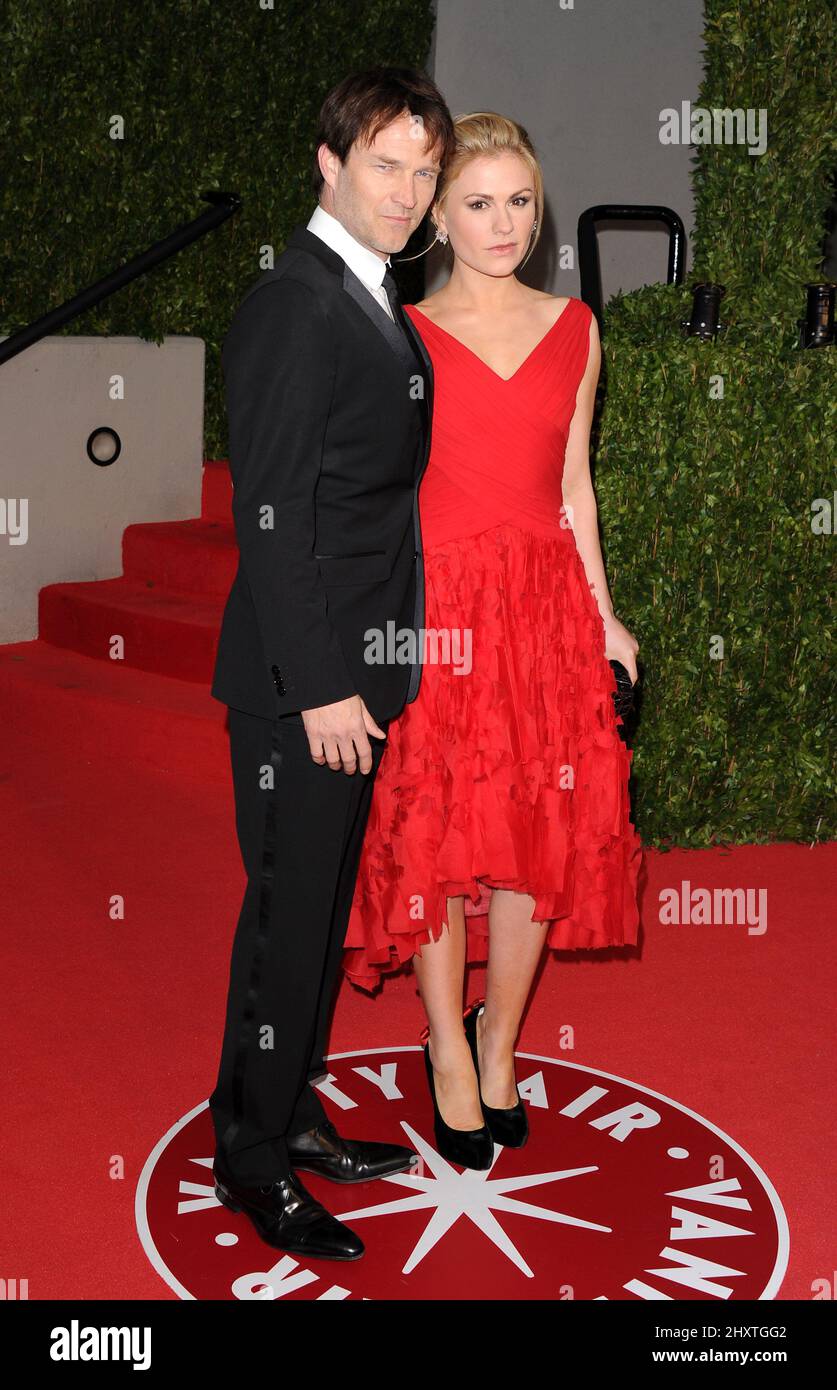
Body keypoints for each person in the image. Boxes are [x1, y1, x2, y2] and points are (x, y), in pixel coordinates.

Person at [343, 112, 643, 1170]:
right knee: (437, 835)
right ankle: (443, 1044)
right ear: (438, 214)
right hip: (440, 611)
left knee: (534, 843)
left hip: (546, 611)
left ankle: (500, 1039)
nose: (503, 222)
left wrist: (601, 611)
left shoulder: (576, 326)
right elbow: (375, 495)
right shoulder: (401, 331)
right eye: (478, 202)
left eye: (520, 200)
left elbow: (574, 483)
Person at [208, 68, 456, 1259]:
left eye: (423, 170)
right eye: (383, 165)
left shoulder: (369, 295)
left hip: (350, 673)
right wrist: (320, 687)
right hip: (299, 687)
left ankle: (289, 1110)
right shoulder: (294, 304)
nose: (407, 193)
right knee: (284, 919)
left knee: (310, 917)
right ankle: (250, 1158)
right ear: (328, 163)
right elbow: (272, 516)